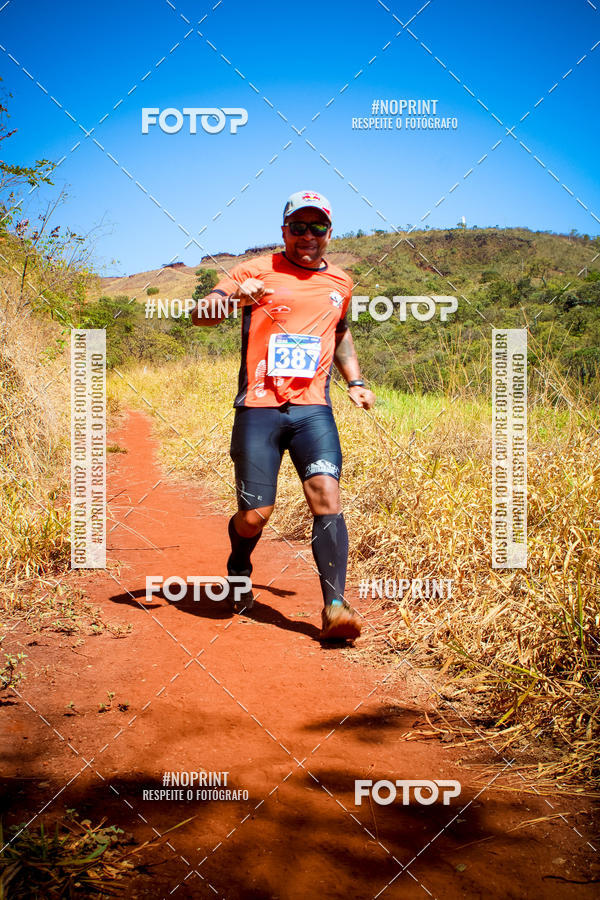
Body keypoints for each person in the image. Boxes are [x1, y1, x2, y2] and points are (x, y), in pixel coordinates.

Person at [192, 190, 375, 641]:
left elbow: (342, 330)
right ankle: (239, 563)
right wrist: (236, 298)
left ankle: (335, 605)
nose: (307, 236)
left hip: (314, 409)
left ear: (329, 233)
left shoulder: (342, 282)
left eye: (317, 228)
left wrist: (354, 381)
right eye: (298, 227)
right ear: (284, 231)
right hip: (259, 408)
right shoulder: (253, 270)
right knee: (255, 515)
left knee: (326, 498)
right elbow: (200, 316)